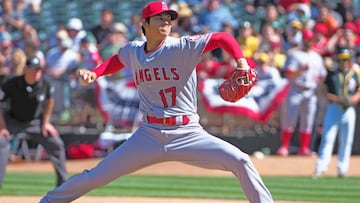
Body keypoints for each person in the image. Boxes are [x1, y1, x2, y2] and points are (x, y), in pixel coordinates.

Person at [39, 1, 273, 203]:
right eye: (159, 18)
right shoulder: (134, 51)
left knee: (241, 160)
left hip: (187, 132)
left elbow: (223, 37)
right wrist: (95, 73)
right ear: (145, 24)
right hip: (149, 134)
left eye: (169, 18)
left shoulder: (182, 47)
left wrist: (241, 62)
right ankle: (49, 200)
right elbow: (117, 59)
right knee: (96, 175)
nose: (166, 22)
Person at [0, 56, 67, 188]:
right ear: (26, 70)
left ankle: (63, 186)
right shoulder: (12, 83)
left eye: (38, 70)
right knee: (1, 142)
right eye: (33, 70)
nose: (36, 73)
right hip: (13, 121)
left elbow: (50, 101)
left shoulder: (45, 83)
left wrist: (45, 122)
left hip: (35, 123)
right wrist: (2, 127)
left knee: (56, 143)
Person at [277, 29, 327, 156]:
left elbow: (322, 75)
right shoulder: (295, 55)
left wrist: (317, 81)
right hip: (296, 88)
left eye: (310, 40)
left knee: (308, 120)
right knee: (289, 120)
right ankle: (284, 147)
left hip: (310, 90)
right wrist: (300, 70)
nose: (308, 42)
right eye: (306, 40)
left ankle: (304, 148)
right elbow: (288, 73)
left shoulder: (317, 57)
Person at [313, 48, 360, 178]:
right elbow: (323, 91)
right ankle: (320, 167)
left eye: (346, 60)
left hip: (349, 109)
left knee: (347, 140)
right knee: (328, 138)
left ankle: (342, 168)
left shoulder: (355, 74)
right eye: (342, 59)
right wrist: (337, 99)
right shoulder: (332, 74)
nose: (344, 62)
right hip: (334, 107)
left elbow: (358, 91)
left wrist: (353, 99)